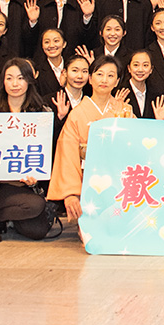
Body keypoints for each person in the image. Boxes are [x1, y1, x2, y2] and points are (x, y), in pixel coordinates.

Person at [0, 58, 57, 242]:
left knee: (37, 231)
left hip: (23, 184)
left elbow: (45, 152)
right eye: (9, 78)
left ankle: (5, 217)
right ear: (3, 81)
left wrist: (36, 177)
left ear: (29, 80)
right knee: (33, 206)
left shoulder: (41, 113)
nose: (15, 84)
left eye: (20, 78)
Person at [48, 55, 133, 224]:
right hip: (86, 181)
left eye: (110, 75)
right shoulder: (77, 114)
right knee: (92, 230)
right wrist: (71, 194)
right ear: (91, 78)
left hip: (119, 181)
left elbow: (136, 148)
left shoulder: (125, 111)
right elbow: (67, 155)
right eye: (99, 74)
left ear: (117, 81)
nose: (104, 80)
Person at [119, 49, 160, 120]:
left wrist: (159, 120)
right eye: (136, 65)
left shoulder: (156, 96)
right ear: (129, 68)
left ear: (151, 69)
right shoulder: (119, 93)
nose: (140, 69)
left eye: (145, 65)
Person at [34, 28, 68, 97]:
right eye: (47, 42)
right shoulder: (37, 71)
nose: (51, 45)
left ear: (64, 44)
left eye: (56, 41)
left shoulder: (72, 67)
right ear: (42, 46)